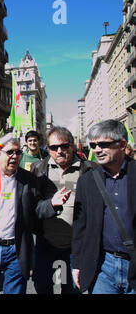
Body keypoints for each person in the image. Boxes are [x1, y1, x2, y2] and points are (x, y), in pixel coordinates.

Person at [30, 126, 97, 294]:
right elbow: (34, 207)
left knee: (72, 289)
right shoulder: (38, 169)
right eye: (53, 147)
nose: (59, 151)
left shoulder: (90, 169)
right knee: (43, 286)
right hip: (46, 243)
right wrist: (51, 204)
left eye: (64, 146)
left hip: (76, 246)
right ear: (48, 148)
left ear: (72, 146)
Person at [72, 120, 136, 294]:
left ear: (122, 144)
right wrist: (77, 264)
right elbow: (81, 227)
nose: (97, 150)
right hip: (103, 267)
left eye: (103, 144)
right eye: (93, 145)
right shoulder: (87, 181)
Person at [0, 138, 40, 294]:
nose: (15, 156)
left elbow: (37, 209)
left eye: (18, 152)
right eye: (9, 152)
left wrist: (53, 205)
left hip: (15, 250)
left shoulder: (28, 180)